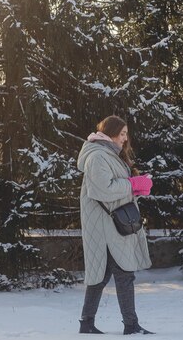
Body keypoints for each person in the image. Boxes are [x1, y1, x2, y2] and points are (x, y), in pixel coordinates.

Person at [77, 115, 154, 335]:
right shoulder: (97, 156)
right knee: (124, 273)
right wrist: (132, 185)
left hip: (109, 223)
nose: (124, 139)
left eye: (126, 134)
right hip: (105, 226)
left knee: (101, 276)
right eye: (122, 134)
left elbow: (114, 186)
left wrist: (137, 187)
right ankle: (131, 326)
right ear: (110, 133)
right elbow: (104, 189)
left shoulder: (109, 154)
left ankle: (87, 323)